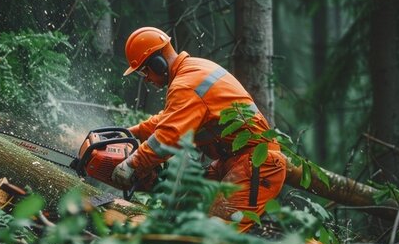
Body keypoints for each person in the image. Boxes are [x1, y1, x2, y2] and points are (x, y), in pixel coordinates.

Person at [111, 26, 287, 232]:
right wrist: (132, 132)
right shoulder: (192, 70)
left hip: (257, 164)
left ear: (157, 63)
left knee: (209, 235)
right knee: (184, 210)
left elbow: (169, 136)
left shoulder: (186, 83)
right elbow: (169, 120)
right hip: (233, 162)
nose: (146, 78)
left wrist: (133, 164)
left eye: (144, 71)